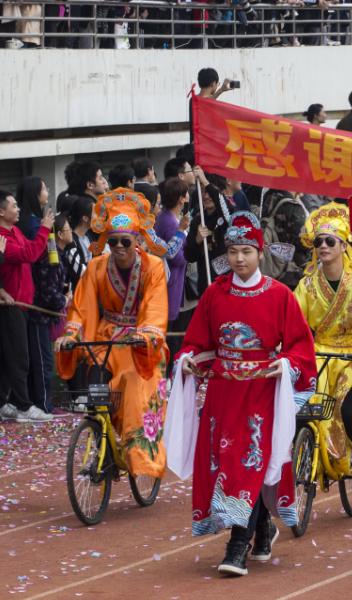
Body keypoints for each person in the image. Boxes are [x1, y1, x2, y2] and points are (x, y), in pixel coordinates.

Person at [165, 211, 318, 576]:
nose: (239, 258)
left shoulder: (280, 295)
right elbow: (196, 342)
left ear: (259, 252)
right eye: (233, 250)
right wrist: (186, 360)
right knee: (229, 464)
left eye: (247, 251)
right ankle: (261, 528)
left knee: (248, 463)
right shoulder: (214, 294)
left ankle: (237, 547)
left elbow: (299, 346)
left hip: (262, 392)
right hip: (222, 394)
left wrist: (284, 364)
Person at [55, 189, 169, 482]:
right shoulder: (95, 267)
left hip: (138, 345)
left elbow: (156, 308)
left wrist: (144, 335)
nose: (119, 247)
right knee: (96, 389)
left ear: (137, 240)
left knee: (131, 386)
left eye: (126, 241)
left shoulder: (153, 267)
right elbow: (81, 309)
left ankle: (137, 456)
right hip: (105, 339)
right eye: (113, 241)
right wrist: (71, 335)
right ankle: (102, 447)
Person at [293, 203, 352, 489]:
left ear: (344, 246)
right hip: (318, 355)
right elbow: (292, 321)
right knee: (303, 410)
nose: (323, 246)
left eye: (330, 241)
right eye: (318, 241)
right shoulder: (306, 285)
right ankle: (301, 456)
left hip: (351, 358)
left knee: (347, 410)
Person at [0, 190, 54, 423]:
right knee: (18, 357)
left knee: (8, 356)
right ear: (1, 211)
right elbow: (28, 254)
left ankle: (4, 403)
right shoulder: (1, 236)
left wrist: (46, 235)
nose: (18, 208)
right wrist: (43, 229)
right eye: (13, 205)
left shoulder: (16, 230)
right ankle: (23, 406)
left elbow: (36, 249)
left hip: (22, 302)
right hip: (10, 303)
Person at [27, 212, 72, 416]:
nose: (71, 231)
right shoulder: (49, 256)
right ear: (60, 235)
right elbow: (49, 296)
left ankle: (44, 403)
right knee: (43, 362)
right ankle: (44, 405)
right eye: (68, 228)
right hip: (38, 316)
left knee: (45, 360)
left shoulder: (61, 254)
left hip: (47, 317)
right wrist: (65, 299)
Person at [184, 167, 234, 299]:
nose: (206, 196)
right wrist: (197, 241)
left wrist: (205, 181)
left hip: (228, 285)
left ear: (221, 193)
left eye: (209, 191)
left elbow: (227, 208)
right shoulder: (197, 221)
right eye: (203, 191)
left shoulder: (229, 215)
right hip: (205, 285)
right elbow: (189, 256)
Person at [154, 177, 191, 356]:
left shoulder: (167, 217)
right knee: (172, 334)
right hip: (171, 282)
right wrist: (190, 255)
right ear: (180, 199)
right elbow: (175, 256)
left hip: (172, 281)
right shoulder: (170, 222)